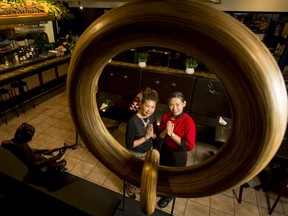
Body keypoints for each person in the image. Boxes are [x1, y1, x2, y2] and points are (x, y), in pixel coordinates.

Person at [157, 91, 196, 208]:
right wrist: (166, 132)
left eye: (177, 104)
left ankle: (169, 195)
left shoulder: (189, 122)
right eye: (171, 105)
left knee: (174, 177)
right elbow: (160, 135)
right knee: (163, 171)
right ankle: (162, 190)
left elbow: (189, 146)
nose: (174, 108)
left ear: (184, 103)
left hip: (178, 154)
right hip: (165, 149)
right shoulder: (166, 116)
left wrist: (172, 134)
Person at [125, 87, 159, 198]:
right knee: (134, 175)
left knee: (144, 175)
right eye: (147, 106)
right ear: (141, 104)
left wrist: (153, 135)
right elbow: (129, 145)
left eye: (152, 107)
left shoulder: (152, 117)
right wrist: (146, 137)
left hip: (148, 151)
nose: (149, 110)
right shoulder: (133, 121)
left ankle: (138, 188)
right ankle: (130, 190)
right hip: (136, 153)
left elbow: (154, 135)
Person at [1, 122, 67, 175]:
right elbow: (35, 165)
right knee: (62, 163)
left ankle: (55, 166)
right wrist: (57, 156)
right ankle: (55, 168)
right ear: (21, 136)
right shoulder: (19, 148)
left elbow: (30, 151)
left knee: (40, 156)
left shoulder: (21, 142)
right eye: (29, 137)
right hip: (37, 169)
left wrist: (41, 150)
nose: (31, 139)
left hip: (37, 160)